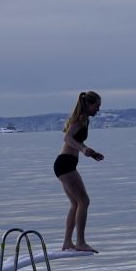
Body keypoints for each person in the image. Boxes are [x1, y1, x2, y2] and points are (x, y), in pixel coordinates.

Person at [53, 90, 105, 252]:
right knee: (84, 201)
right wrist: (83, 149)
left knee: (76, 204)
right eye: (96, 106)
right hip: (65, 164)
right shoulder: (80, 119)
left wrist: (91, 153)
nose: (98, 109)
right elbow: (67, 138)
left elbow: (73, 141)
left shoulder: (84, 120)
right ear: (88, 104)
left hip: (64, 164)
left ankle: (67, 242)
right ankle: (80, 242)